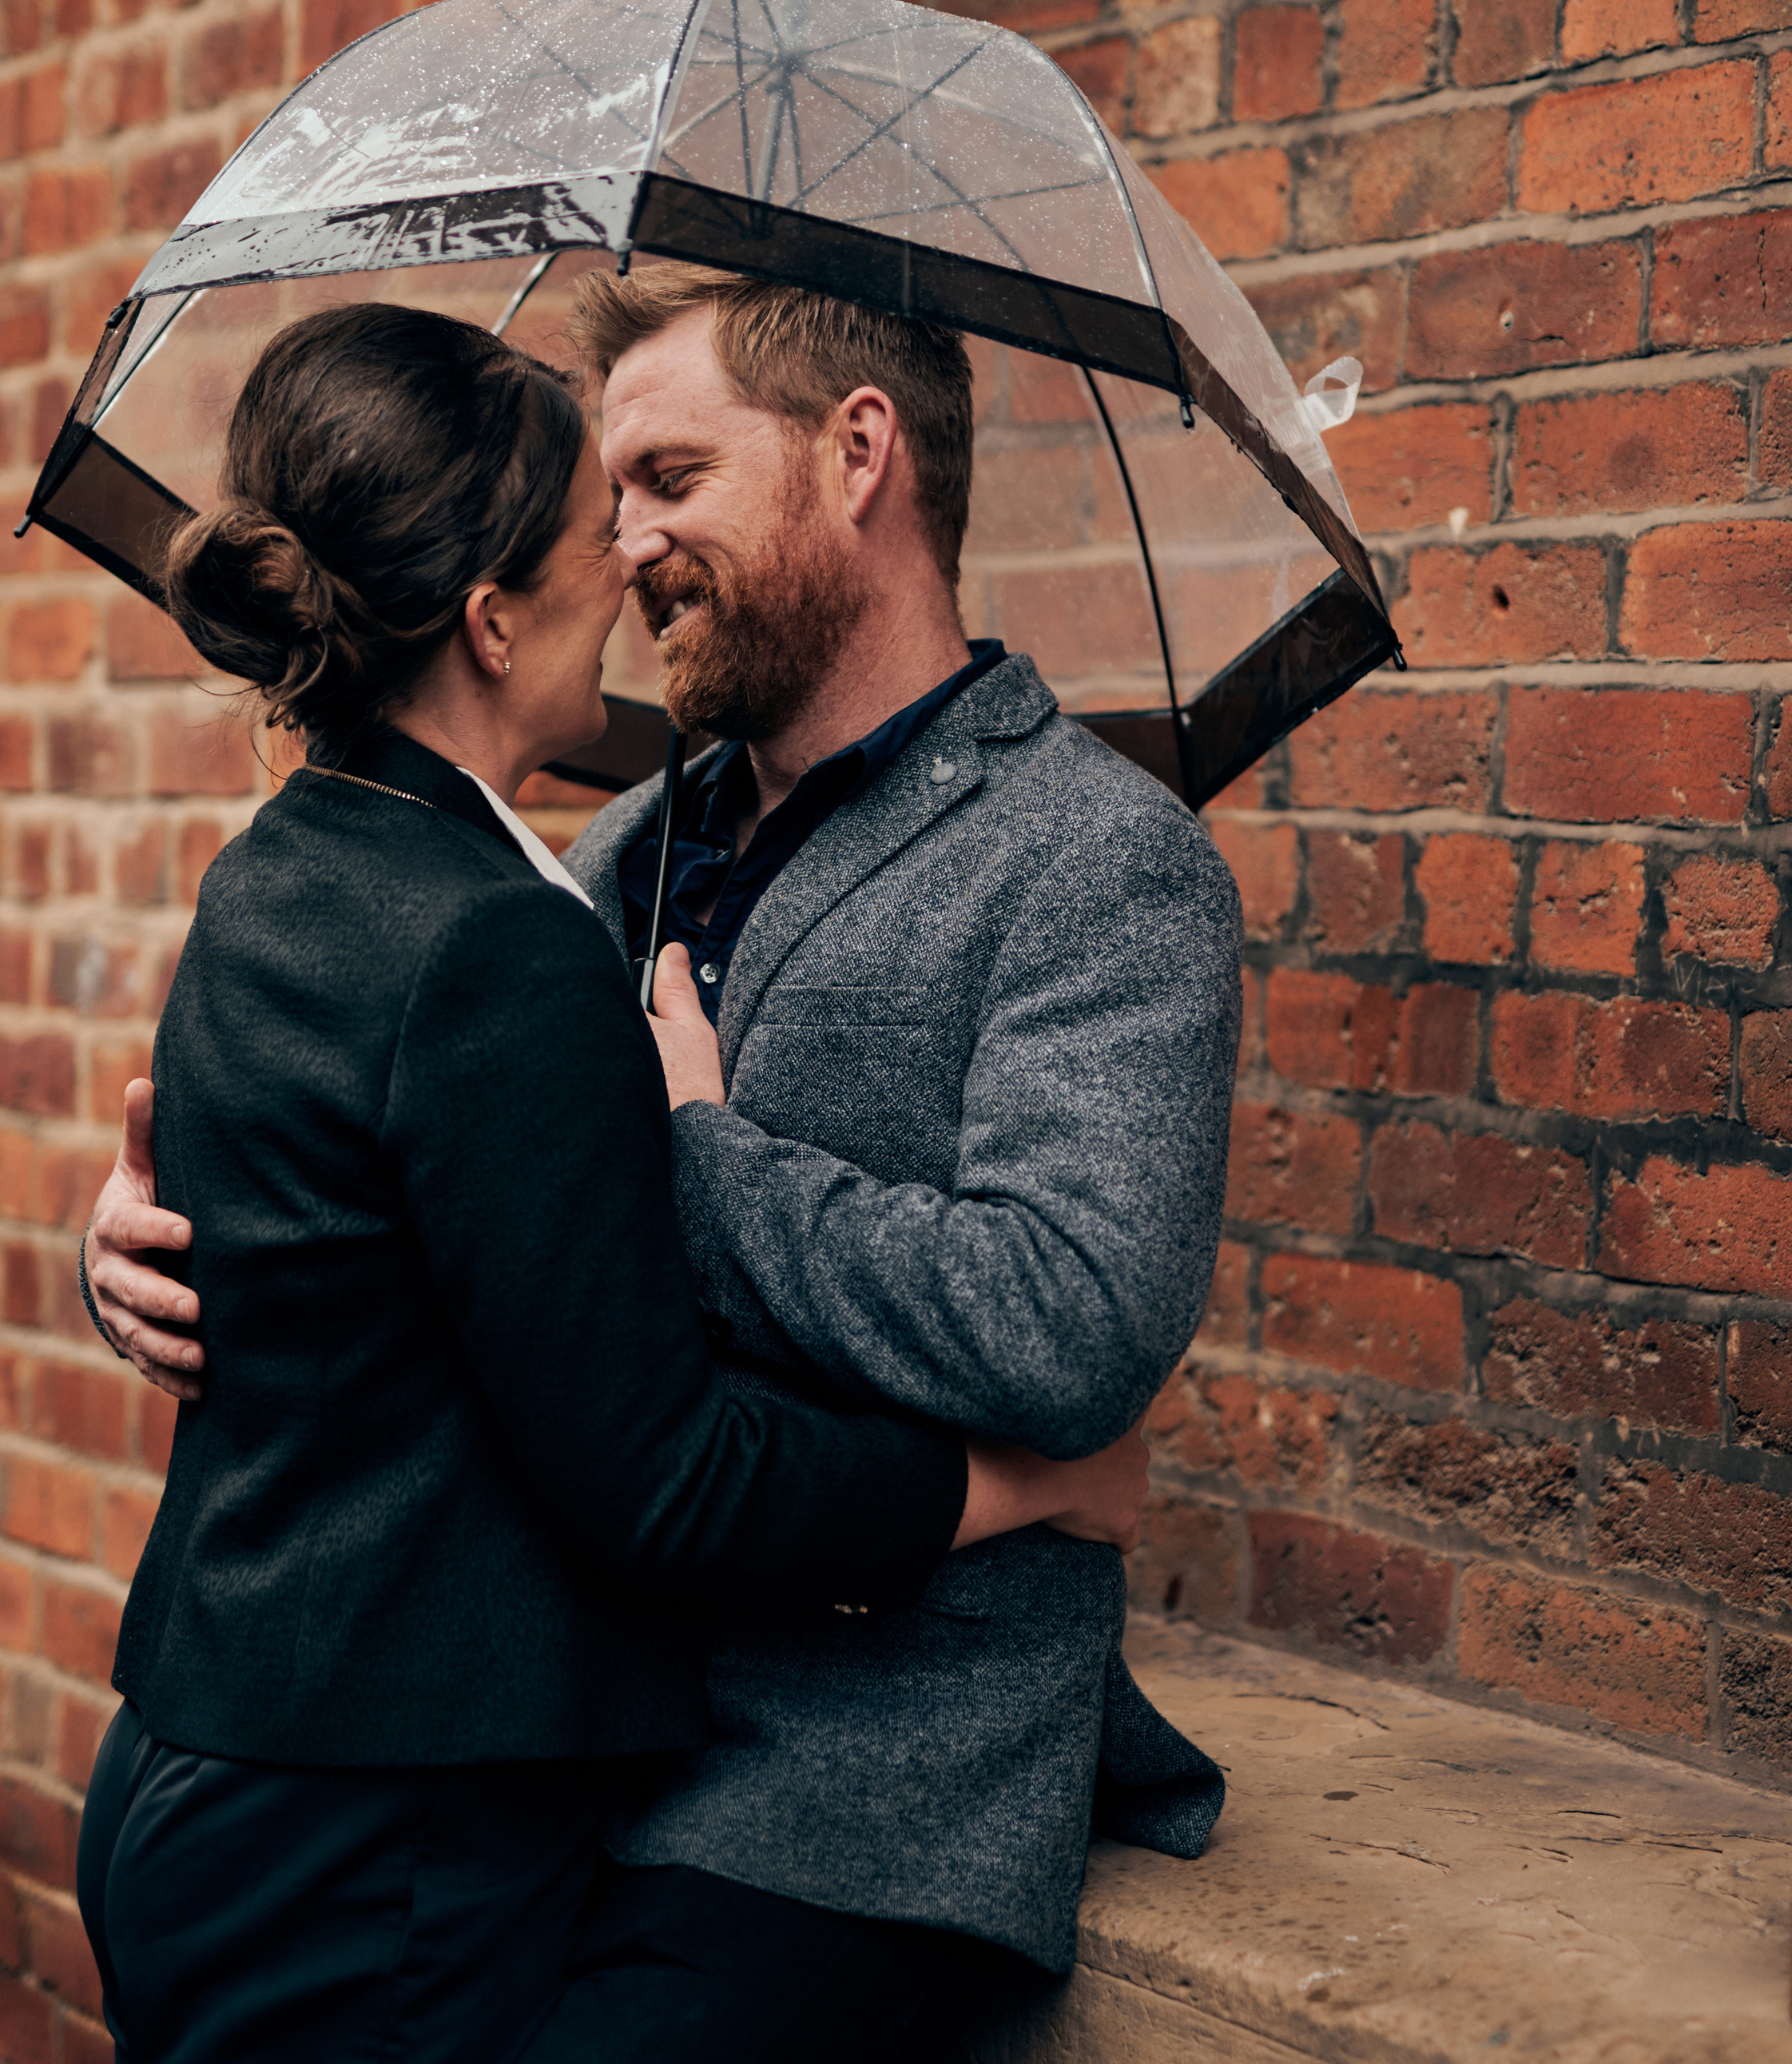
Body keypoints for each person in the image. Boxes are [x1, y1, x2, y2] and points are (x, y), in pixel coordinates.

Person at [89, 268, 1242, 2053]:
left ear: (857, 454)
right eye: (606, 496)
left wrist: (705, 1150)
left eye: (670, 479)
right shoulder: (598, 857)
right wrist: (174, 1248)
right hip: (535, 1736)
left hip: (846, 1777)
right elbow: (424, 1180)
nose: (625, 545)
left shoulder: (1100, 863)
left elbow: (1074, 1325)